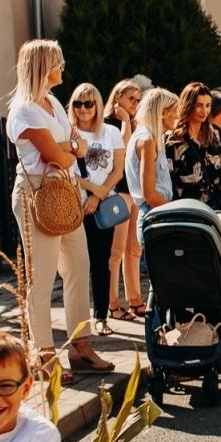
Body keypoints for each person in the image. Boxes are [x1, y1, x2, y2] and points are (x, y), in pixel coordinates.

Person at [4, 39, 111, 376]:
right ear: (42, 67)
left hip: (64, 192)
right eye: (57, 62)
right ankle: (44, 353)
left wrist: (69, 148)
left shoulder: (52, 102)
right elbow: (61, 155)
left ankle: (80, 346)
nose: (63, 67)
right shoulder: (24, 110)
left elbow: (78, 147)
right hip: (37, 193)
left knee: (78, 265)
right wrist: (70, 148)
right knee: (43, 274)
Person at [67, 83, 125, 338]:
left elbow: (118, 170)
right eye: (77, 104)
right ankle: (77, 319)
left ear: (98, 106)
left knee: (101, 262)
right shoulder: (68, 133)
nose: (83, 109)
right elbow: (67, 170)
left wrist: (98, 196)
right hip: (75, 204)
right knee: (77, 265)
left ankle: (101, 316)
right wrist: (92, 190)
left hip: (102, 207)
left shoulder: (111, 132)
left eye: (88, 103)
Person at [123, 88, 179, 314]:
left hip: (154, 214)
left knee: (163, 281)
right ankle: (159, 326)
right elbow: (149, 194)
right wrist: (176, 210)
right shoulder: (146, 140)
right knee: (163, 283)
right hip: (155, 216)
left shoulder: (150, 137)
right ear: (163, 112)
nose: (177, 115)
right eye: (174, 111)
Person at [102, 79, 146, 323]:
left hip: (134, 191)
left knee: (134, 248)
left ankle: (135, 298)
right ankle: (112, 302)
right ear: (117, 97)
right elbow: (123, 148)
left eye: (138, 99)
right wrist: (126, 122)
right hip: (118, 192)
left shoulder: (137, 123)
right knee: (116, 250)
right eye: (131, 98)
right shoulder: (108, 124)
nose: (135, 103)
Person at [165, 82, 221, 210]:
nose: (204, 111)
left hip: (214, 208)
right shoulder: (173, 139)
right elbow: (170, 179)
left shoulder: (212, 135)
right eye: (199, 105)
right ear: (188, 105)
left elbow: (218, 174)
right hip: (187, 209)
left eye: (208, 105)